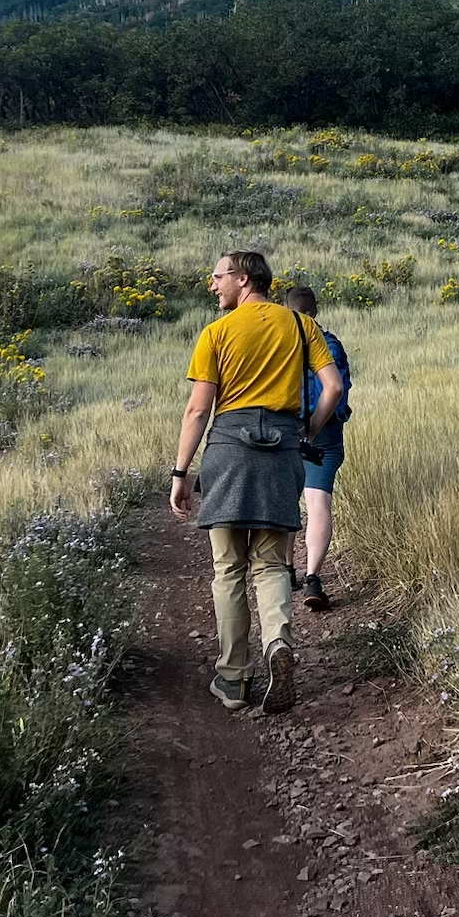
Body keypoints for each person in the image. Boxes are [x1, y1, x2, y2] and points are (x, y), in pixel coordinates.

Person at [170, 250, 342, 714]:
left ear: (243, 280)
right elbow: (334, 388)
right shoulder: (301, 326)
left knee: (228, 569)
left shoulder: (217, 332)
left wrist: (181, 472)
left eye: (218, 276)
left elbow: (197, 410)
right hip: (282, 450)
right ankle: (278, 645)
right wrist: (307, 431)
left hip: (228, 449)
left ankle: (234, 681)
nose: (212, 285)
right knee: (270, 563)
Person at [280, 286, 351, 611]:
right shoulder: (331, 345)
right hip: (325, 435)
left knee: (287, 501)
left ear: (286, 310)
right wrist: (317, 427)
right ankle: (313, 577)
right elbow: (338, 389)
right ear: (316, 311)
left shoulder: (280, 346)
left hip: (289, 432)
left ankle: (286, 570)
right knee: (318, 502)